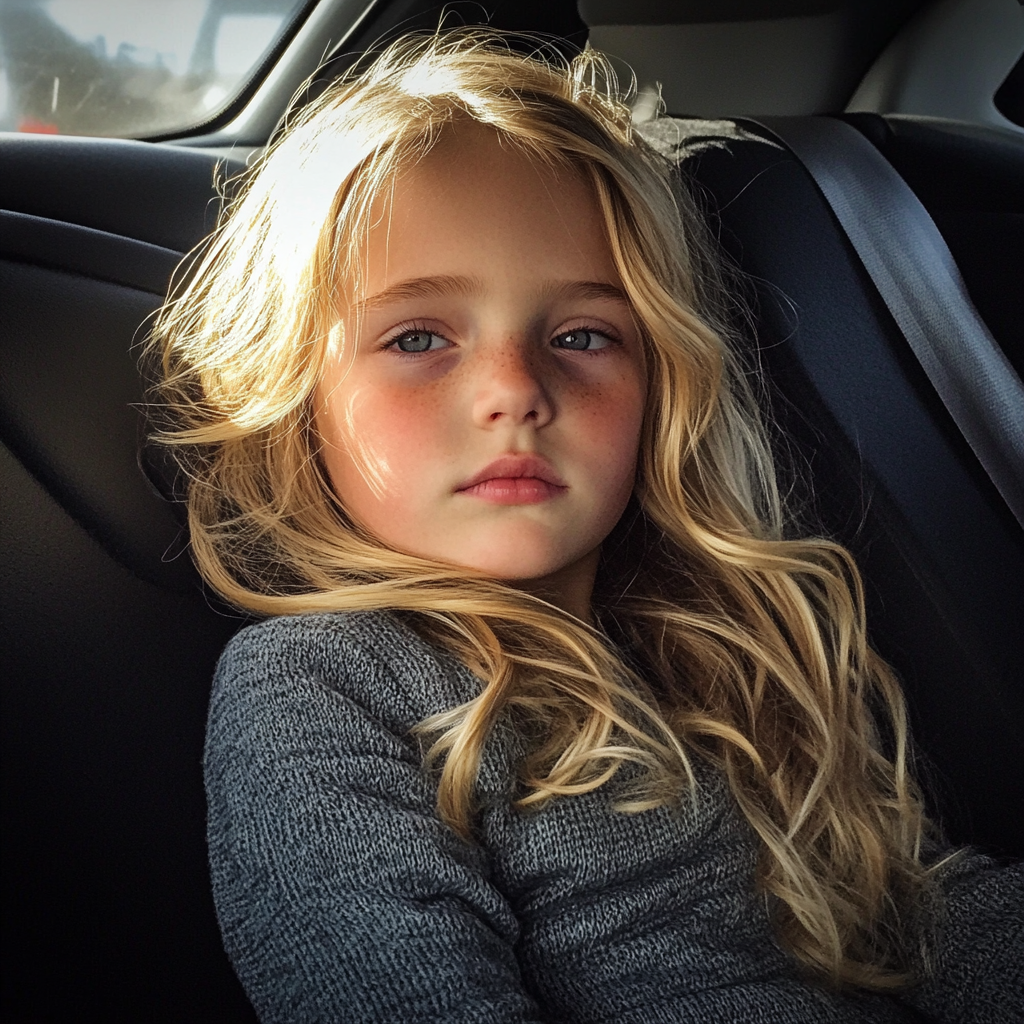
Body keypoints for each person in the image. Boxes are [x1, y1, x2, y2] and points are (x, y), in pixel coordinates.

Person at [148, 29, 1023, 1024]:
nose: (514, 391)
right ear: (298, 397)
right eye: (419, 337)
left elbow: (912, 910)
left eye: (581, 336)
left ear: (662, 382)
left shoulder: (711, 639)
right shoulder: (323, 679)